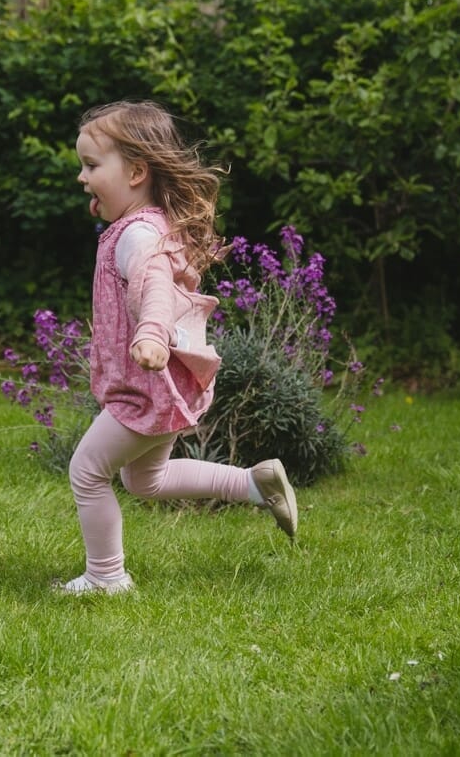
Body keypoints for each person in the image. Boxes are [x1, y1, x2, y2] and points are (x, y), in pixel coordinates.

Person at [58, 100, 298, 595]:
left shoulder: (138, 235)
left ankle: (106, 576)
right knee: (147, 480)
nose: (82, 178)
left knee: (87, 471)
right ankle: (254, 484)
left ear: (136, 171)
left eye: (91, 165)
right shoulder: (146, 223)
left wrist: (150, 331)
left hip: (143, 387)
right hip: (162, 387)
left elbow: (154, 284)